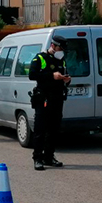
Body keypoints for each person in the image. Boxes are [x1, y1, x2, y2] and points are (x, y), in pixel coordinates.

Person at [28, 35, 70, 171]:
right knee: (40, 129)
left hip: (57, 99)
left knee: (53, 129)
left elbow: (65, 74)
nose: (61, 51)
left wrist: (66, 80)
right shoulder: (40, 58)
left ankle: (49, 156)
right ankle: (38, 158)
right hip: (44, 99)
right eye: (60, 48)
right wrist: (52, 76)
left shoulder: (61, 60)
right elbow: (32, 75)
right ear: (53, 46)